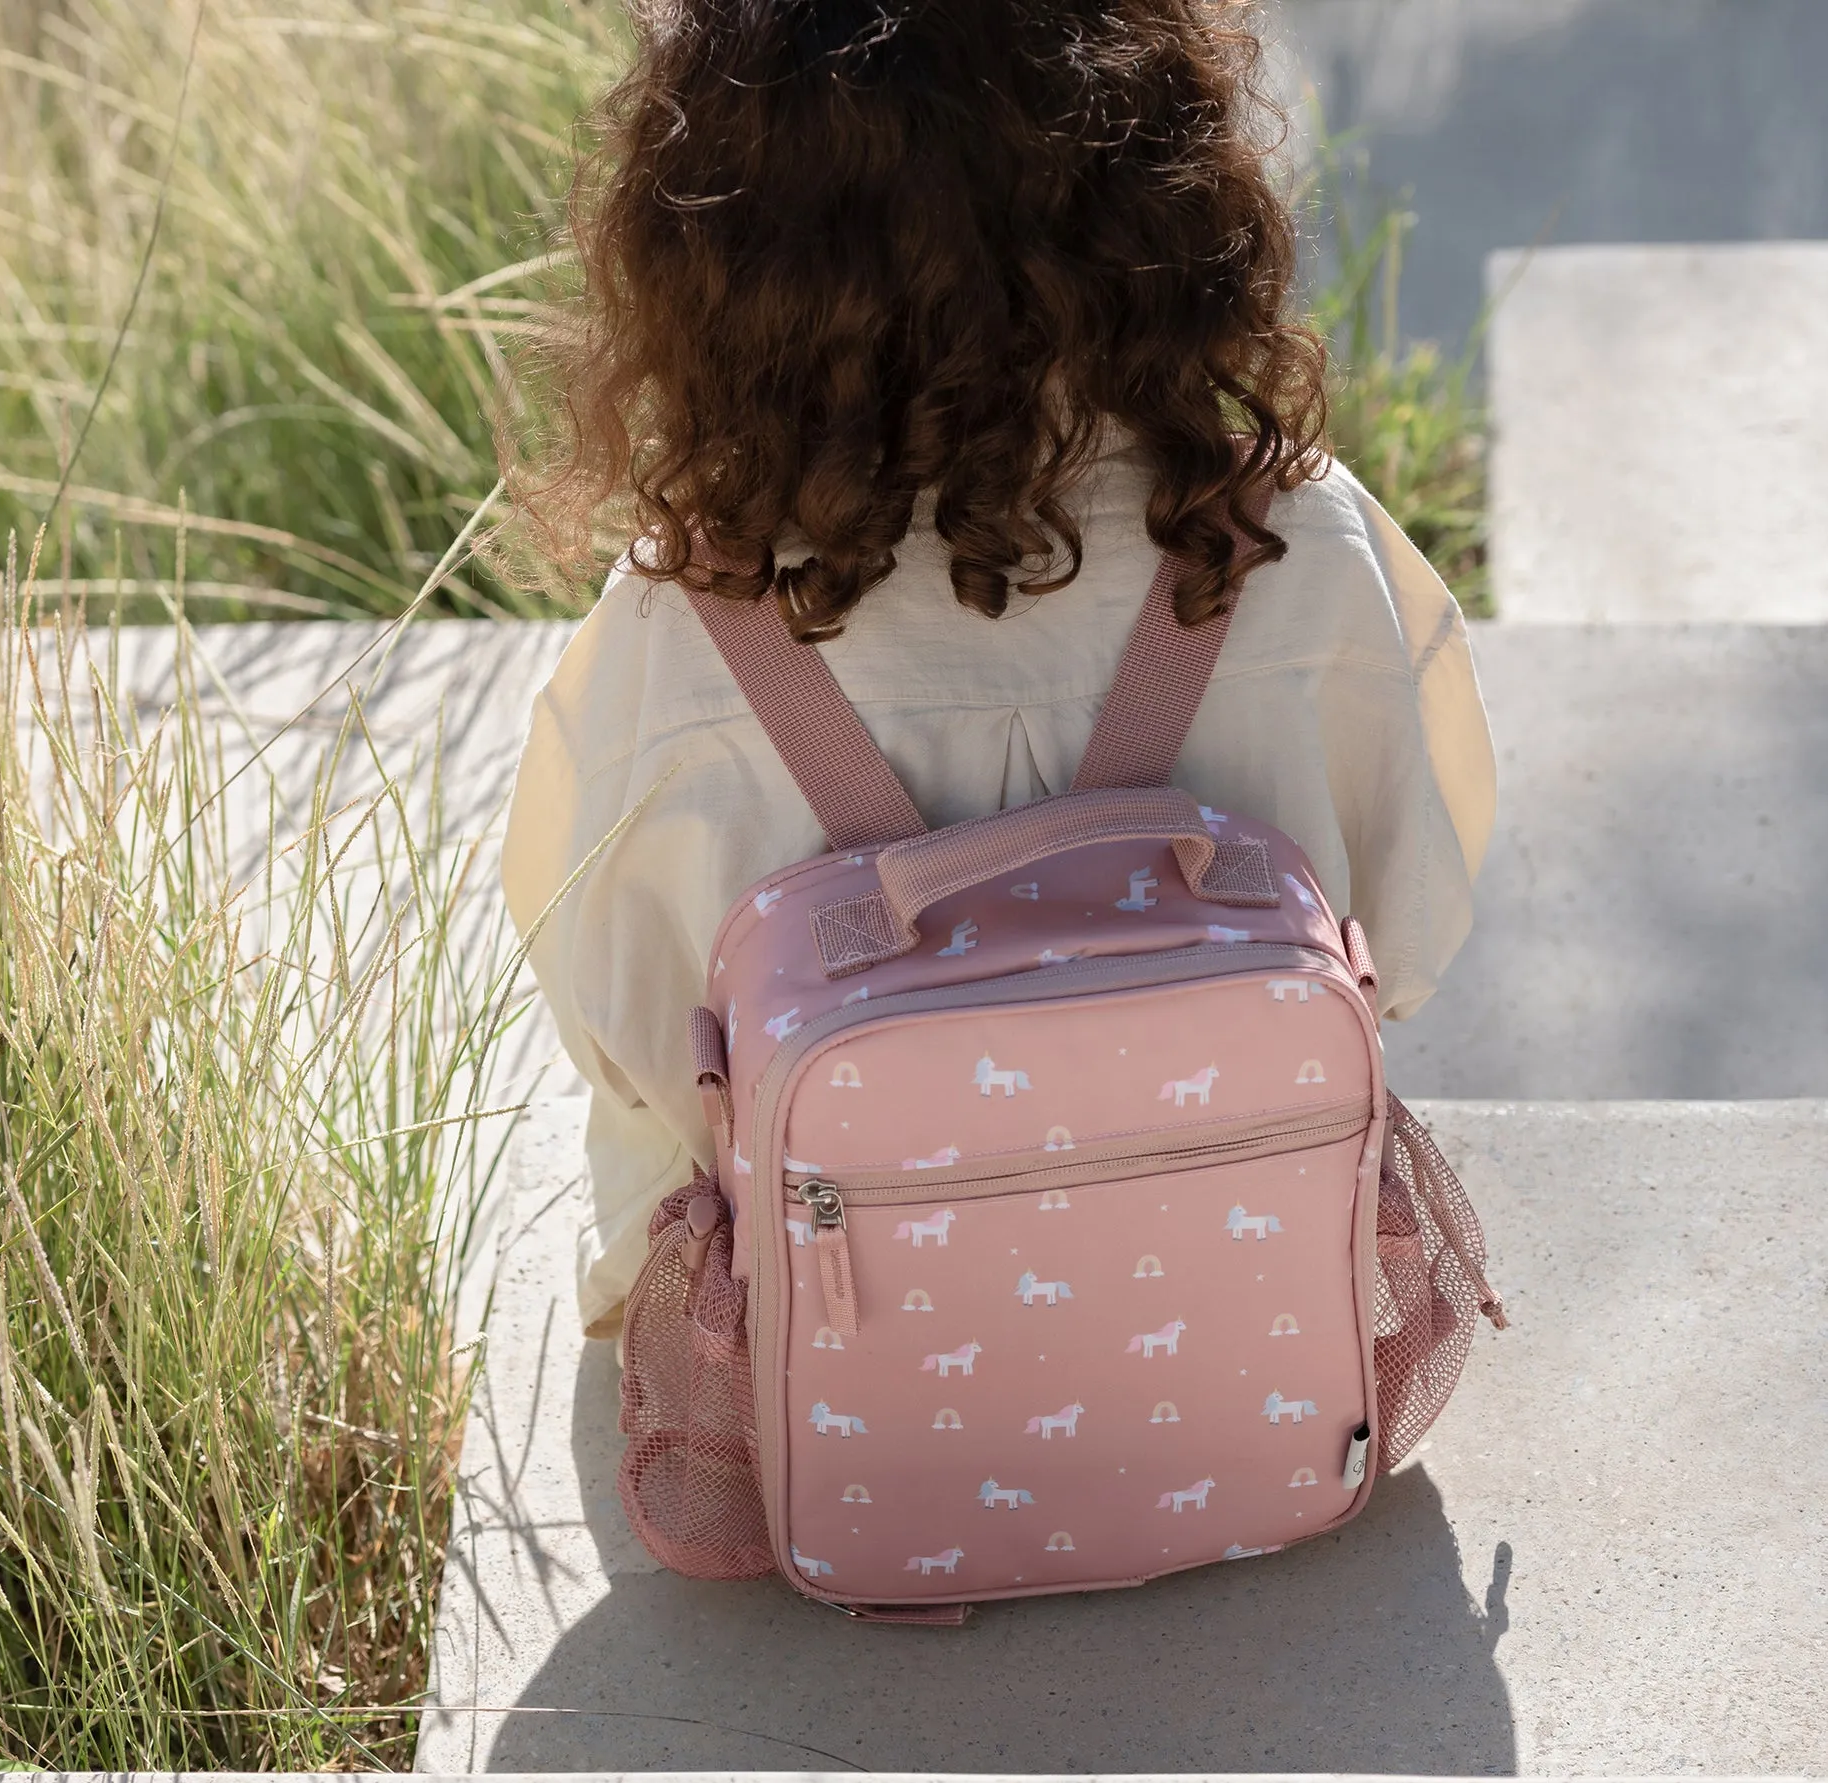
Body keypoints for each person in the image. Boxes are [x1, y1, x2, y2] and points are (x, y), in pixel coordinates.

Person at [499, 0, 1495, 1343]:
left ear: (714, 254)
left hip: (826, 1336)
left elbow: (619, 1029)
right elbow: (1410, 923)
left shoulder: (686, 620)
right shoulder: (1299, 546)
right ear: (1169, 206)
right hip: (1229, 1300)